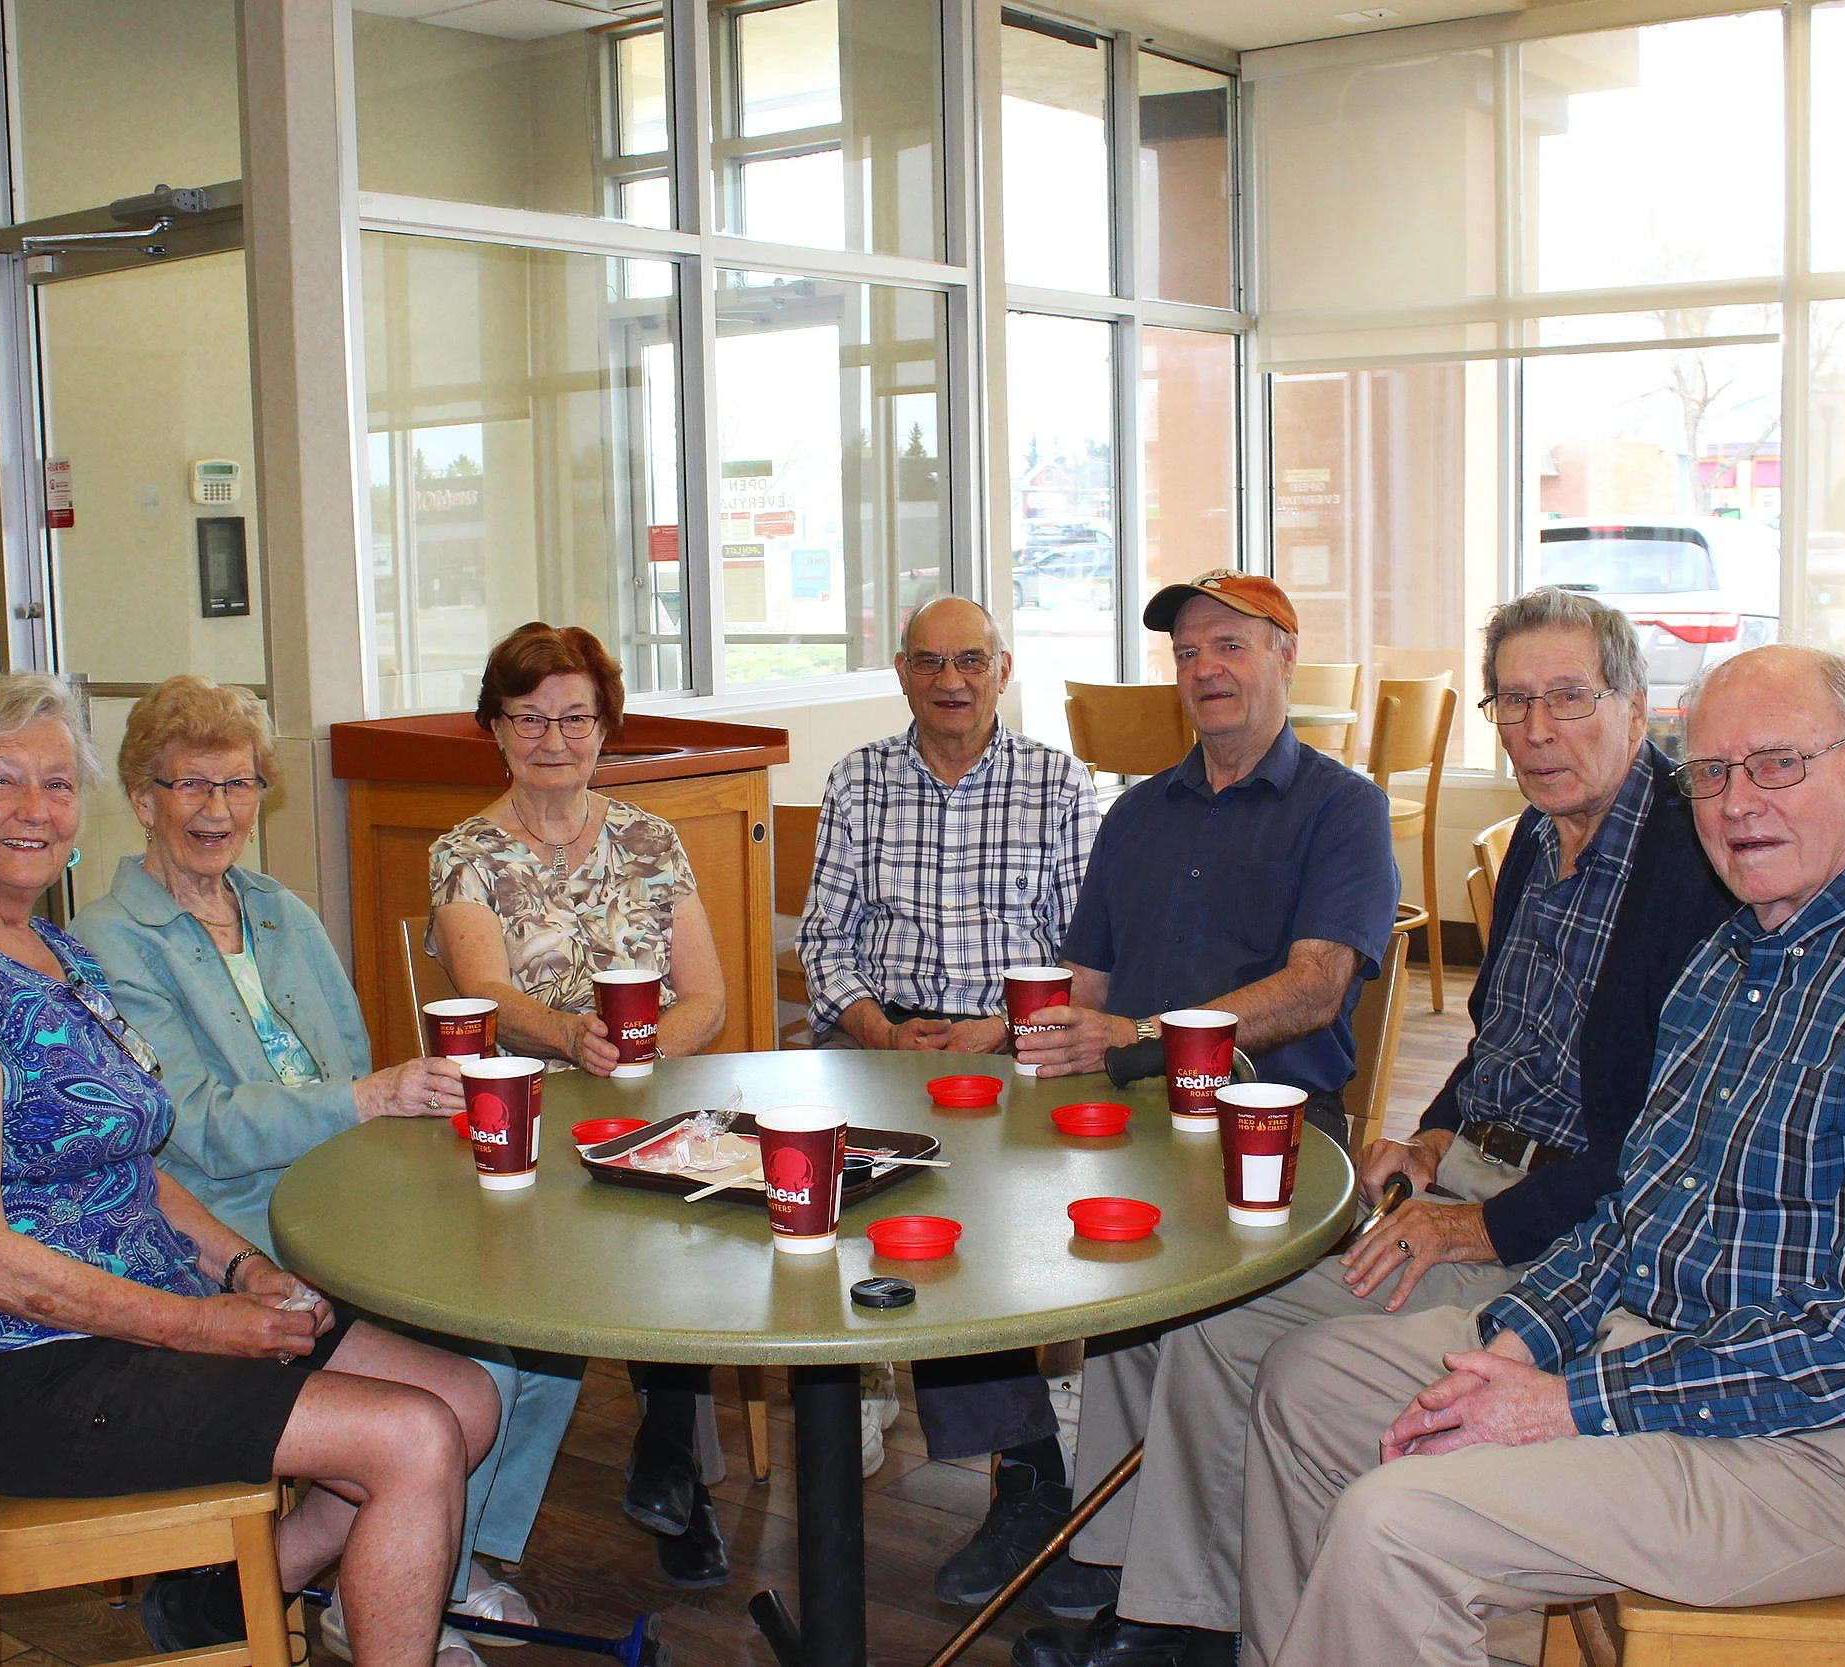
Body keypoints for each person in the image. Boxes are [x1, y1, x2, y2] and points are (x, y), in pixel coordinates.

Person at [1240, 644, 1845, 1667]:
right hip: (1675, 1360)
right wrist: (1520, 1339)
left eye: (1778, 763)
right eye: (1711, 774)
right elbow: (1639, 1212)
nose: (1736, 803)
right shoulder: (1735, 959)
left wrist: (1564, 1404)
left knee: (1400, 1521)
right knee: (1310, 1382)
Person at [1015, 587, 1739, 1665]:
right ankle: (1176, 1595)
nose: (1537, 731)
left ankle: (1195, 1616)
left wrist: (1478, 1225)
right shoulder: (1544, 840)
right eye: (1514, 702)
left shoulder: (1697, 862)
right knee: (1181, 1289)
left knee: (1223, 1320)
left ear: (1637, 704)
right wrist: (1435, 1135)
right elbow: (1502, 1037)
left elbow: (1663, 1145)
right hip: (1465, 1180)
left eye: (1569, 699)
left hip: (1573, 1237)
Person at [0, 672, 500, 1667]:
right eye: (0, 780)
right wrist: (203, 1322)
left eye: (57, 785)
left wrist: (247, 1272)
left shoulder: (54, 953)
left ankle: (236, 1592)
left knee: (466, 1399)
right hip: (30, 1363)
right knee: (410, 1438)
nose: (35, 810)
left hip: (154, 1306)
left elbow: (137, 1166)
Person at [71, 674, 578, 1630]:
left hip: (344, 1198)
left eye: (238, 784)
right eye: (190, 786)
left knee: (545, 1339)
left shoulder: (279, 910)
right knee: (489, 1372)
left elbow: (353, 1076)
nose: (217, 810)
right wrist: (368, 1097)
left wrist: (410, 1110)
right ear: (143, 800)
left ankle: (315, 1576)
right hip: (231, 1230)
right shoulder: (107, 939)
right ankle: (389, 1587)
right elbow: (191, 1122)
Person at [797, 595, 1100, 1604]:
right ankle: (1022, 1468)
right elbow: (822, 940)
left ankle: (1024, 1477)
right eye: (929, 660)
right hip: (879, 1043)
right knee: (874, 1217)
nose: (950, 679)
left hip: (1012, 1046)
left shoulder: (1056, 781)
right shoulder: (858, 779)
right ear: (900, 670)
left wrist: (1003, 1031)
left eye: (970, 658)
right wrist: (877, 1024)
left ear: (1003, 669)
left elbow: (1083, 955)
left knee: (975, 1229)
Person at [429, 621, 733, 1588]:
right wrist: (576, 1041)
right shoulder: (464, 853)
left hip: (653, 1098)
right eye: (529, 718)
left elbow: (708, 997)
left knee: (694, 1221)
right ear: (495, 726)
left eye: (575, 718)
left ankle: (675, 1461)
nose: (553, 739)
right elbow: (485, 996)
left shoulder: (651, 839)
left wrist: (641, 1055)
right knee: (624, 1222)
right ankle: (674, 1471)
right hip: (530, 1114)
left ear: (606, 727)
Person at [1015, 568, 1398, 1133]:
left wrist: (1141, 1036)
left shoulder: (1343, 810)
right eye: (1187, 652)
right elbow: (1085, 982)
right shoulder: (1132, 814)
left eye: (1230, 646)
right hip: (1128, 1106)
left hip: (1270, 1114)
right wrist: (1011, 1033)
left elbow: (1314, 991)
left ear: (1286, 657)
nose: (1205, 668)